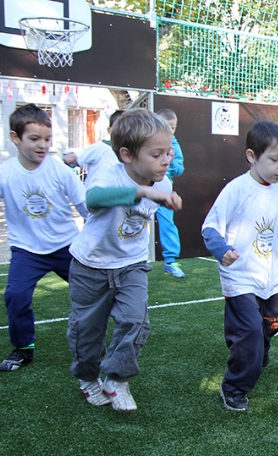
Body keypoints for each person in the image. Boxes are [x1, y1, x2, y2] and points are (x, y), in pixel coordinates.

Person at [0, 103, 88, 371]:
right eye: (34, 139)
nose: (43, 145)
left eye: (47, 139)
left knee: (92, 291)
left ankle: (93, 340)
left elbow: (85, 204)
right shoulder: (3, 173)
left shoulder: (60, 170)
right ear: (16, 138)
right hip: (27, 251)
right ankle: (23, 348)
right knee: (15, 295)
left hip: (67, 247)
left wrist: (98, 229)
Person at [66, 109, 182, 411]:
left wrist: (167, 198)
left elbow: (158, 200)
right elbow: (93, 200)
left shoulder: (163, 182)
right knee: (87, 332)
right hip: (91, 266)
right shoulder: (109, 170)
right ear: (127, 155)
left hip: (131, 264)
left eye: (168, 152)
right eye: (156, 154)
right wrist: (140, 191)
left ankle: (117, 379)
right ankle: (88, 378)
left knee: (135, 321)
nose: (166, 160)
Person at [202, 121, 278, 412]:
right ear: (252, 156)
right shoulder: (237, 190)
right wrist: (222, 250)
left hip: (269, 277)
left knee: (273, 324)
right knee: (250, 334)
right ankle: (234, 387)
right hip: (239, 277)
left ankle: (251, 348)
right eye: (275, 159)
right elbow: (210, 227)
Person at [155, 108, 186, 278]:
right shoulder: (147, 140)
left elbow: (179, 169)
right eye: (165, 126)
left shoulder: (174, 145)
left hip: (164, 191)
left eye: (172, 128)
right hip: (144, 188)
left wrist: (172, 162)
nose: (169, 131)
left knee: (167, 223)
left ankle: (170, 261)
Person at [62, 110, 123, 184]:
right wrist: (72, 158)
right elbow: (78, 158)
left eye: (128, 128)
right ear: (109, 130)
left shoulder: (132, 154)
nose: (123, 131)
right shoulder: (100, 148)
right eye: (119, 127)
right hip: (96, 192)